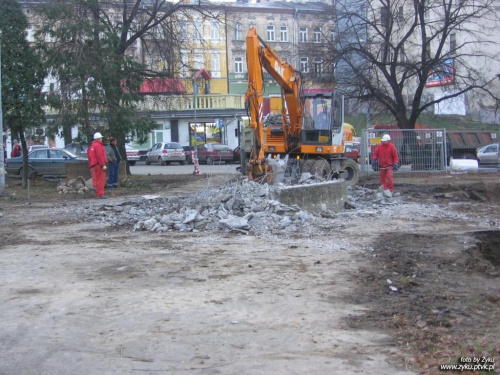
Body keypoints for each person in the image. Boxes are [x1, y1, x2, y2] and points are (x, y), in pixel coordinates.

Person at [372, 134, 399, 198]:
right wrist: (374, 159)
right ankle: (384, 190)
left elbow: (395, 156)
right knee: (382, 179)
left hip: (389, 165)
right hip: (382, 166)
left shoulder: (392, 147)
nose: (383, 142)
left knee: (390, 178)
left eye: (385, 141)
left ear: (388, 140)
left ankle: (390, 190)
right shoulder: (379, 147)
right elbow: (376, 154)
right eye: (383, 141)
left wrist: (395, 163)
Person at [87, 132, 109, 199]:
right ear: (98, 138)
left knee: (96, 179)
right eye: (101, 138)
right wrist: (103, 164)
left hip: (93, 165)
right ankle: (100, 194)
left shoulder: (91, 146)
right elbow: (100, 156)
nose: (101, 139)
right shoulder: (98, 146)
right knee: (101, 179)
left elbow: (89, 156)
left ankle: (96, 192)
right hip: (98, 165)